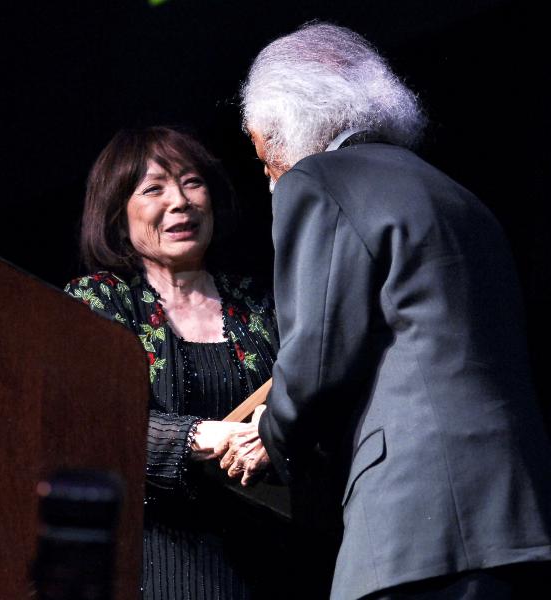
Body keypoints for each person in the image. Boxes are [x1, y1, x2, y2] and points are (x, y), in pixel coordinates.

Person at [218, 22, 551, 599]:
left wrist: (269, 436)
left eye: (261, 149)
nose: (268, 174)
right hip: (519, 516)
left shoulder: (318, 179)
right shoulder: (461, 196)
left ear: (286, 125)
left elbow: (319, 353)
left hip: (420, 528)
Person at [65, 126, 291, 600]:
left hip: (276, 556)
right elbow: (88, 429)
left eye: (192, 182)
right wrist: (201, 435)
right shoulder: (98, 302)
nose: (181, 201)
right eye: (153, 188)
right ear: (117, 212)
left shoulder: (260, 304)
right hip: (155, 564)